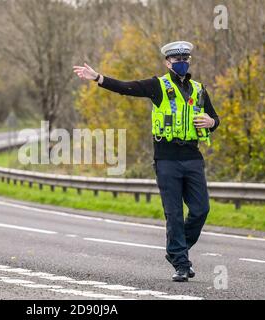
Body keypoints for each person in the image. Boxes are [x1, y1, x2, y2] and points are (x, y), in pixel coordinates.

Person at [73, 41, 220, 282]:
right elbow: (126, 87)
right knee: (173, 214)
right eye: (176, 59)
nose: (181, 63)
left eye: (185, 59)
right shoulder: (157, 86)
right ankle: (181, 263)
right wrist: (98, 78)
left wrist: (212, 123)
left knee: (201, 210)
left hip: (193, 157)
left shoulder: (198, 89)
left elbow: (214, 118)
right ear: (167, 62)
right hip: (166, 159)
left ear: (189, 61)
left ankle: (176, 251)